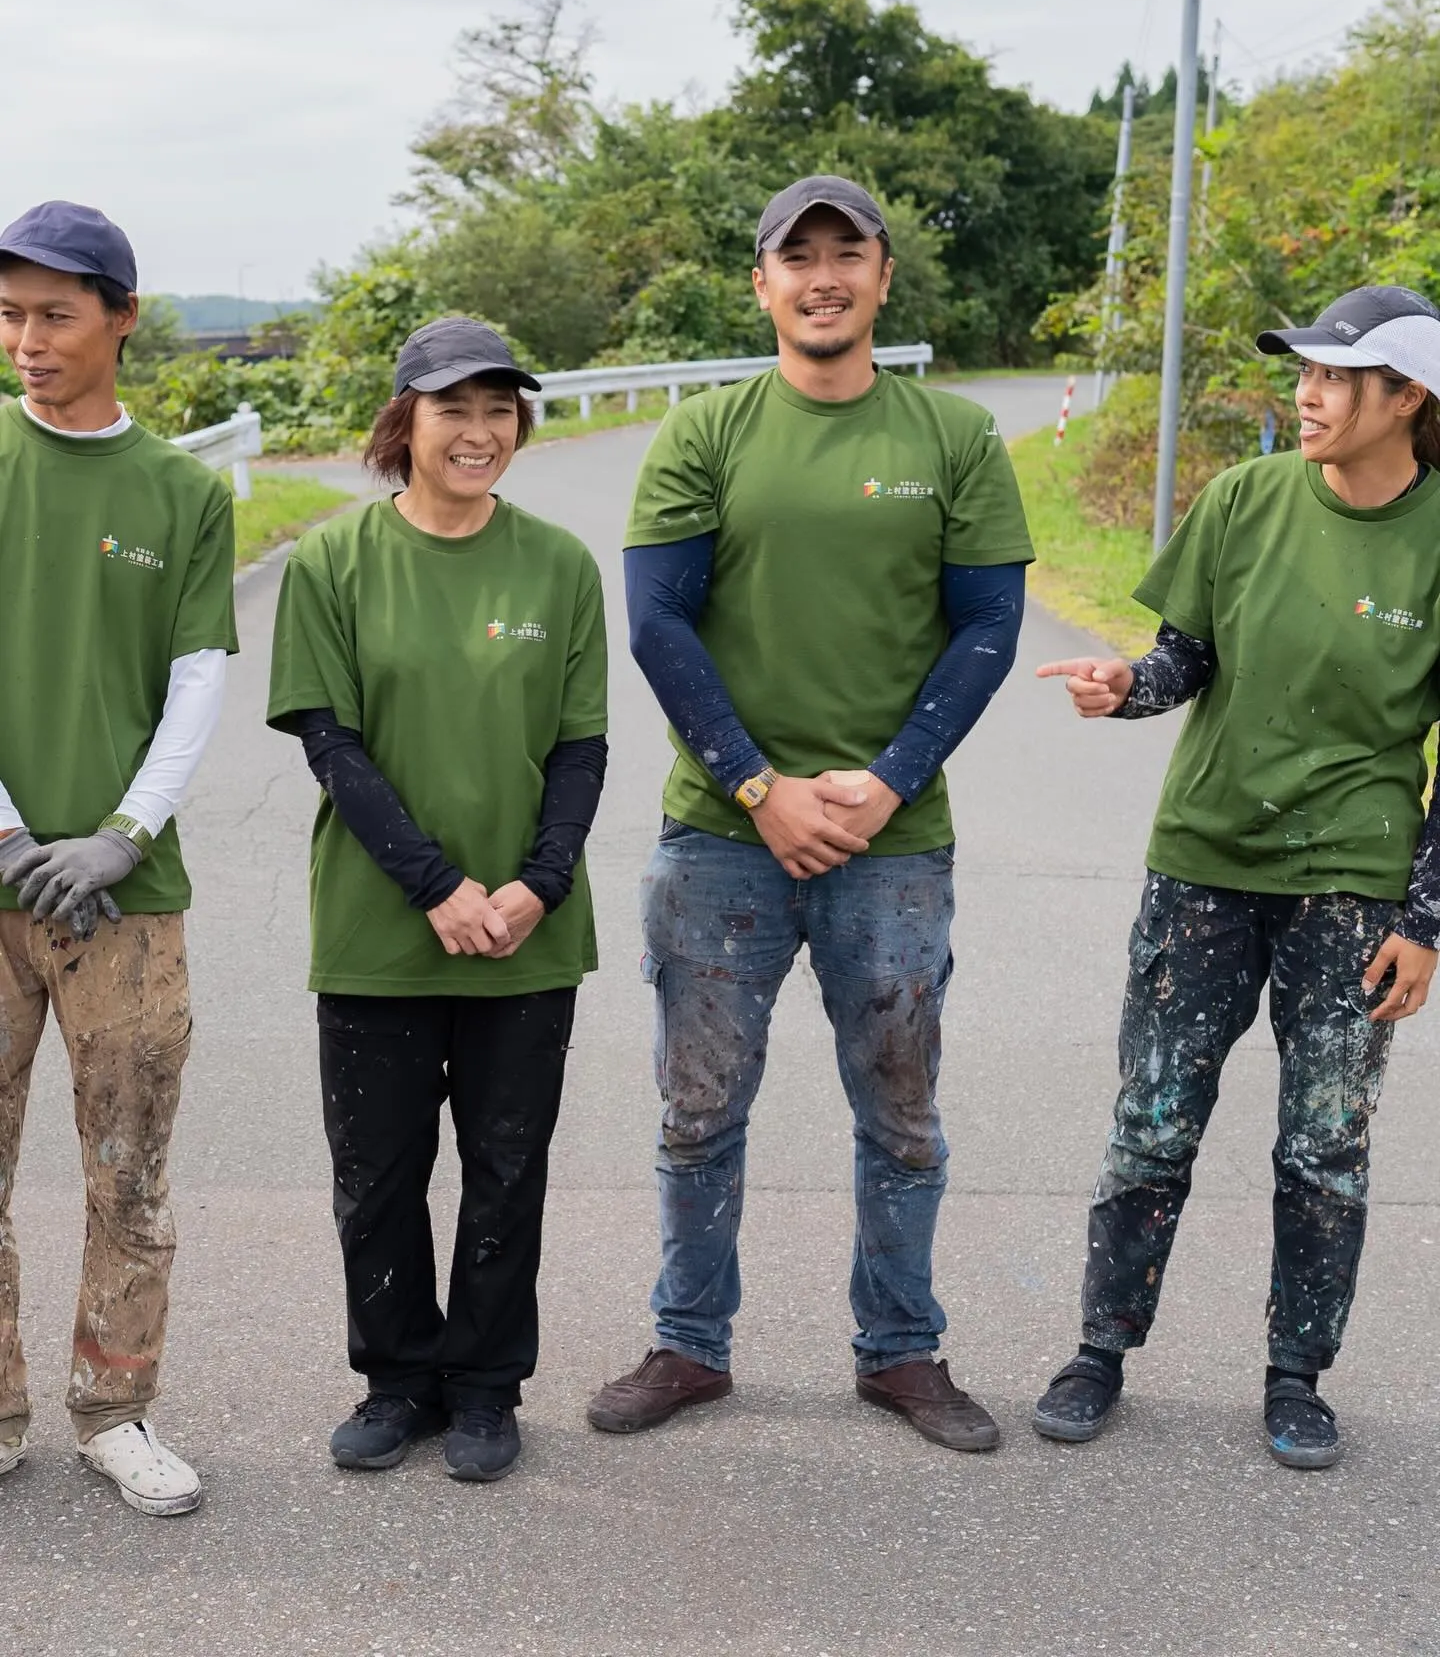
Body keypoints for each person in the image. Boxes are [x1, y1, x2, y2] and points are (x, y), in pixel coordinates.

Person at [586, 175, 1034, 1452]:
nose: (824, 276)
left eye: (850, 254)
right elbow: (658, 622)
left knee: (900, 1111)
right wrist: (756, 785)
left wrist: (888, 778)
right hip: (720, 838)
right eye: (800, 257)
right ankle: (689, 1343)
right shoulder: (707, 433)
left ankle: (901, 1352)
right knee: (698, 1110)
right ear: (763, 283)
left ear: (884, 277)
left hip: (893, 846)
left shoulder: (953, 438)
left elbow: (990, 628)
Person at [1032, 284, 1440, 1470]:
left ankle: (1297, 1374)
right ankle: (1101, 1348)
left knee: (1325, 1145)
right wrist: (1128, 691)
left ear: (1406, 397)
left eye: (1332, 376)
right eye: (1302, 372)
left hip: (1352, 888)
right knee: (1151, 1123)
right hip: (1204, 863)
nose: (1304, 395)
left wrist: (1424, 920)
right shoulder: (1244, 499)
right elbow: (1183, 659)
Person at [267, 318, 607, 1484]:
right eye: (452, 408)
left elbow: (579, 750)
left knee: (510, 1172)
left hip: (527, 933)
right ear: (401, 421)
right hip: (380, 932)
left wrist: (536, 886)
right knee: (380, 1176)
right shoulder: (332, 563)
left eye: (499, 409)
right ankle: (397, 1379)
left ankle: (484, 1387)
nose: (479, 431)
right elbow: (332, 743)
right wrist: (439, 888)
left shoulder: (559, 565)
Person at [0, 202, 237, 1515]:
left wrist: (120, 834)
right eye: (9, 314)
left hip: (127, 901)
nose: (27, 341)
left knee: (130, 1174)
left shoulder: (185, 493)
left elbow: (195, 681)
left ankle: (115, 1412)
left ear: (123, 320)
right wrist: (10, 828)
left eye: (55, 314)